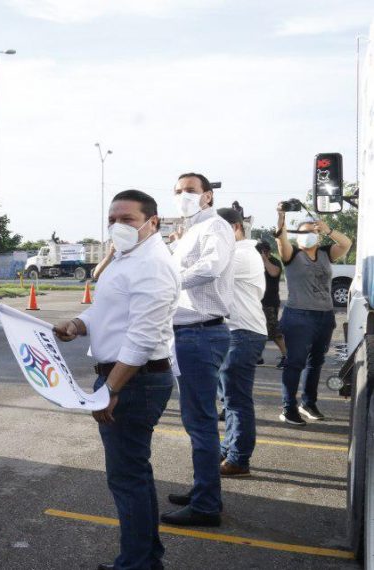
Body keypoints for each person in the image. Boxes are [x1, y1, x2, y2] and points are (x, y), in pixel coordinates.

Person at [54, 189, 179, 570]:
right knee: (133, 474)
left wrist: (111, 390)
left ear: (152, 222)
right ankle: (144, 559)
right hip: (128, 379)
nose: (117, 226)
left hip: (133, 382)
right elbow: (107, 310)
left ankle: (137, 563)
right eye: (112, 220)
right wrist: (78, 324)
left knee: (127, 478)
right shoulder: (129, 258)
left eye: (127, 219)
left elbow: (141, 338)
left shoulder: (153, 265)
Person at [162, 172, 233, 528]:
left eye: (190, 191)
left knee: (201, 422)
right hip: (188, 335)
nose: (183, 196)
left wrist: (169, 281)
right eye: (177, 191)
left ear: (207, 196)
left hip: (200, 334)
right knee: (196, 421)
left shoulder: (214, 227)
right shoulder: (190, 230)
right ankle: (203, 488)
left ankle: (206, 505)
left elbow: (211, 267)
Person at [274, 207, 353, 425]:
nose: (308, 235)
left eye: (312, 231)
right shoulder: (292, 255)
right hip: (298, 316)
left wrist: (329, 230)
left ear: (318, 234)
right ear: (296, 236)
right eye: (303, 232)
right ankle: (288, 408)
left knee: (316, 362)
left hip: (325, 316)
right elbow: (281, 240)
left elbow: (346, 243)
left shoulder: (327, 253)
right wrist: (281, 217)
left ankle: (308, 403)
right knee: (295, 362)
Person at [214, 207, 268, 478]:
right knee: (230, 398)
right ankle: (229, 448)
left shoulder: (243, 255)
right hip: (237, 332)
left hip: (242, 333)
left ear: (235, 228)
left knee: (236, 400)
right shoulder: (240, 252)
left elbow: (204, 270)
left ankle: (239, 459)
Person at [256, 241, 287, 368]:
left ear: (267, 252)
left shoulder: (274, 262)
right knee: (257, 330)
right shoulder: (254, 262)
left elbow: (274, 273)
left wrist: (265, 260)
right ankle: (258, 357)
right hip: (256, 302)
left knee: (274, 332)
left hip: (270, 302)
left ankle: (286, 356)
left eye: (262, 253)